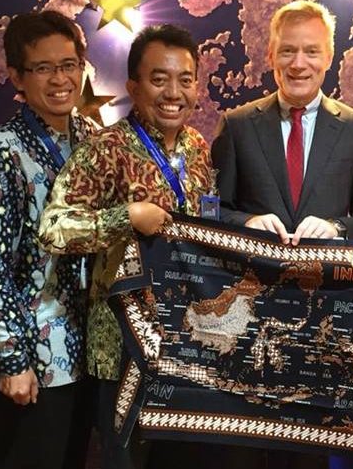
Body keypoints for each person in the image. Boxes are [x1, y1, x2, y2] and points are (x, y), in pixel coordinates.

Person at [37, 23, 215, 469]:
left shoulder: (197, 147)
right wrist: (126, 218)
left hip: (186, 344)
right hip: (122, 345)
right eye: (158, 79)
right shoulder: (106, 148)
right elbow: (54, 227)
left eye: (185, 79)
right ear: (134, 87)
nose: (173, 93)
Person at [0, 10, 95, 469]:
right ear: (18, 76)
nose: (60, 79)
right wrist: (12, 359)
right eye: (44, 68)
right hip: (36, 354)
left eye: (69, 65)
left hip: (90, 349)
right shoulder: (3, 149)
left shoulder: (92, 139)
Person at [211, 0, 353, 246]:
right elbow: (213, 211)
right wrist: (247, 222)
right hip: (253, 269)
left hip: (326, 270)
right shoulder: (235, 126)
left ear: (328, 58)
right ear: (271, 56)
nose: (298, 64)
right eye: (287, 51)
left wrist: (336, 227)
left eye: (311, 52)